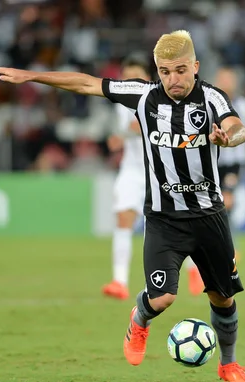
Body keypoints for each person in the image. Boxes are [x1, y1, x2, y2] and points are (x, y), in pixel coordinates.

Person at [0, 30, 245, 382]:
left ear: (195, 65)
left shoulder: (212, 98)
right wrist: (31, 77)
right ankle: (139, 321)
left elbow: (237, 127)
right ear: (156, 70)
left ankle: (229, 365)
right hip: (164, 219)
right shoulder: (143, 96)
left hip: (209, 216)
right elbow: (86, 84)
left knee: (222, 299)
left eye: (180, 70)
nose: (172, 79)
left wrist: (229, 135)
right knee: (162, 298)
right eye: (164, 71)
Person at [185, 66, 245, 296]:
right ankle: (210, 262)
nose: (227, 84)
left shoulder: (243, 106)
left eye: (230, 80)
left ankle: (222, 259)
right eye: (223, 80)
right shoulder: (205, 104)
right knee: (210, 212)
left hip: (233, 165)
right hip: (211, 164)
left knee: (225, 205)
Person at [102, 53, 152, 300]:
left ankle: (194, 270)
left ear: (148, 79)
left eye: (136, 77)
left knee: (174, 226)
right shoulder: (121, 106)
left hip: (160, 172)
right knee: (123, 220)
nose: (131, 81)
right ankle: (119, 281)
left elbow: (137, 127)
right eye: (127, 76)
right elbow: (126, 129)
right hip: (132, 170)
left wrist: (121, 136)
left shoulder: (158, 99)